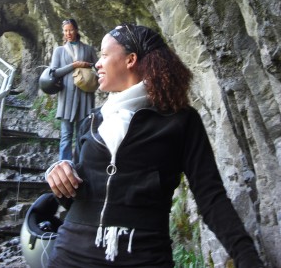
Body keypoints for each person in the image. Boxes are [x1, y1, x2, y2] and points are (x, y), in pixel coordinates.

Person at [45, 23, 264, 267]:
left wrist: (248, 259)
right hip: (71, 254)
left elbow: (211, 198)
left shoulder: (180, 120)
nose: (97, 63)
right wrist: (59, 174)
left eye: (105, 55)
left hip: (143, 256)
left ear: (130, 59)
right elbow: (77, 193)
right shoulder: (92, 120)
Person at [49, 18, 98, 161]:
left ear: (76, 30)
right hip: (67, 97)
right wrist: (74, 65)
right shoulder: (59, 51)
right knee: (66, 135)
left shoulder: (88, 49)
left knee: (82, 134)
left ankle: (79, 164)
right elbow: (54, 72)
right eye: (65, 31)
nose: (68, 33)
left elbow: (97, 66)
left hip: (85, 96)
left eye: (70, 30)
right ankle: (65, 164)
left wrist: (86, 64)